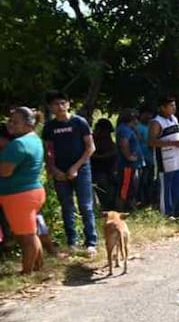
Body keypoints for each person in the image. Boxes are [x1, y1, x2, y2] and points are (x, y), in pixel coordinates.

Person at [41, 90, 97, 254]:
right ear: (50, 107)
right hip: (60, 171)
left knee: (86, 206)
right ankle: (72, 242)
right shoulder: (49, 127)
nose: (59, 107)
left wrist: (76, 167)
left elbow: (90, 147)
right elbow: (48, 151)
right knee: (66, 207)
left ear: (68, 104)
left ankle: (91, 242)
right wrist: (52, 168)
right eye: (55, 104)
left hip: (81, 169)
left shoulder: (79, 122)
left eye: (62, 103)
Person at [0, 107, 47, 274]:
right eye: (10, 120)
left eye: (15, 122)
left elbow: (4, 171)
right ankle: (37, 266)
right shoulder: (34, 139)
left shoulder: (18, 144)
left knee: (26, 236)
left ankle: (27, 272)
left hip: (19, 195)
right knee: (30, 232)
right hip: (31, 192)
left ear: (28, 124)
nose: (10, 124)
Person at [148, 95, 179, 218]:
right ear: (162, 107)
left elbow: (178, 135)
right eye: (171, 106)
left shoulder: (174, 119)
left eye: (174, 105)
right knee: (166, 188)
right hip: (166, 162)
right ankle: (167, 213)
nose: (174, 108)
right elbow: (151, 142)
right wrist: (172, 143)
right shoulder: (157, 122)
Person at [115, 111, 143, 211]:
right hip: (127, 165)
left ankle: (130, 207)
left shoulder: (129, 129)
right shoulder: (124, 129)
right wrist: (129, 156)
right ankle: (121, 209)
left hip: (133, 165)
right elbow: (124, 143)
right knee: (125, 188)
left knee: (132, 187)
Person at [90, 118, 118, 211]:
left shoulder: (107, 138)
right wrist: (101, 156)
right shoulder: (93, 138)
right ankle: (105, 208)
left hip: (109, 168)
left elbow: (113, 150)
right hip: (97, 169)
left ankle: (111, 207)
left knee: (112, 188)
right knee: (102, 187)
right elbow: (91, 154)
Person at [136, 107, 154, 206]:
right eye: (146, 114)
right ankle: (141, 201)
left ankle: (149, 201)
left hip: (151, 158)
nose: (148, 117)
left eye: (150, 114)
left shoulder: (151, 127)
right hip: (142, 158)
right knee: (142, 181)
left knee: (150, 181)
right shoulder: (138, 127)